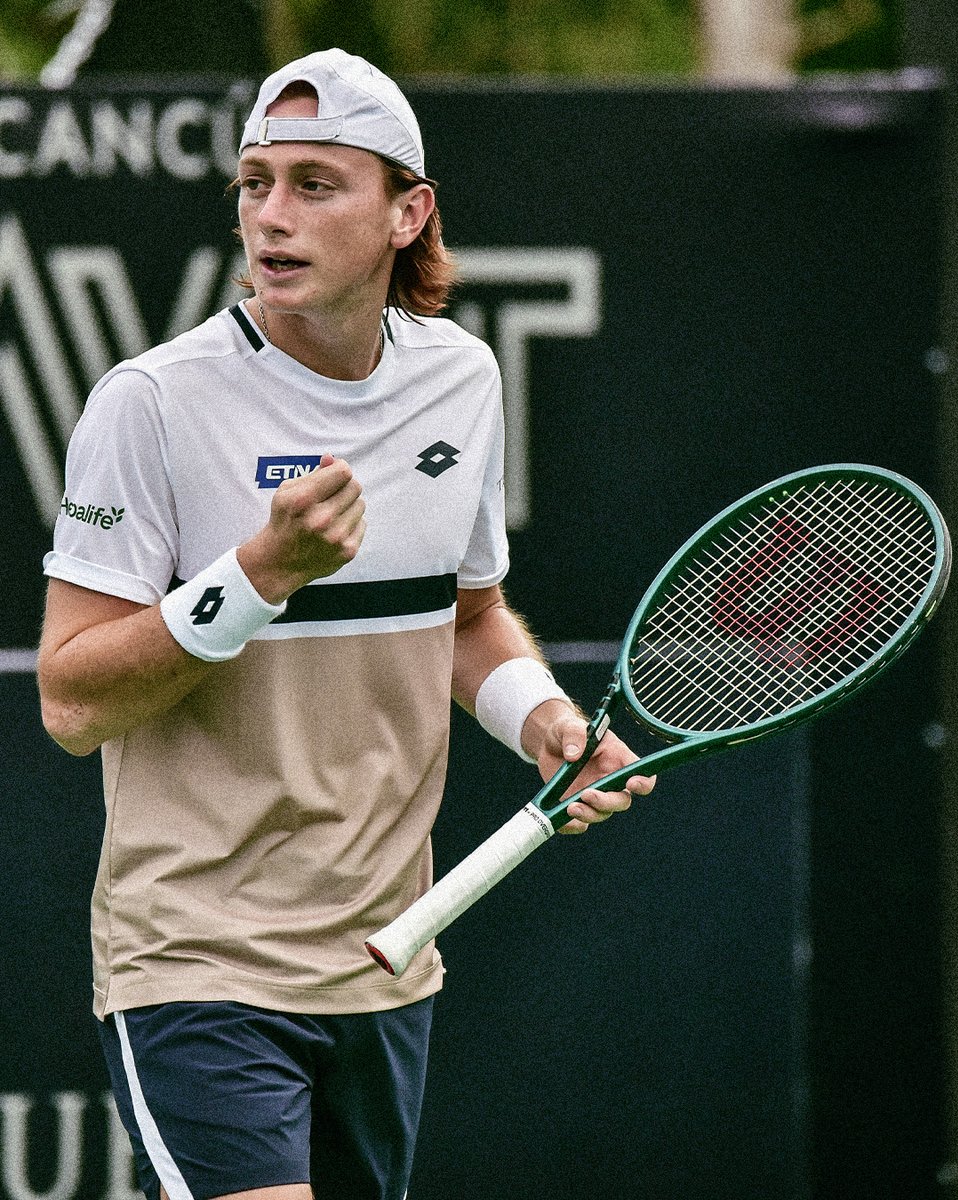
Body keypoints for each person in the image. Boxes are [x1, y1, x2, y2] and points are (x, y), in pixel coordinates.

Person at [37, 48, 654, 1200]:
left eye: (316, 183)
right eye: (255, 182)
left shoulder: (461, 381)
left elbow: (467, 619)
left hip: (387, 961)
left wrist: (544, 720)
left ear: (405, 213)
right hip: (194, 957)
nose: (272, 214)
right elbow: (71, 702)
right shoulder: (151, 402)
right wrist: (259, 575)